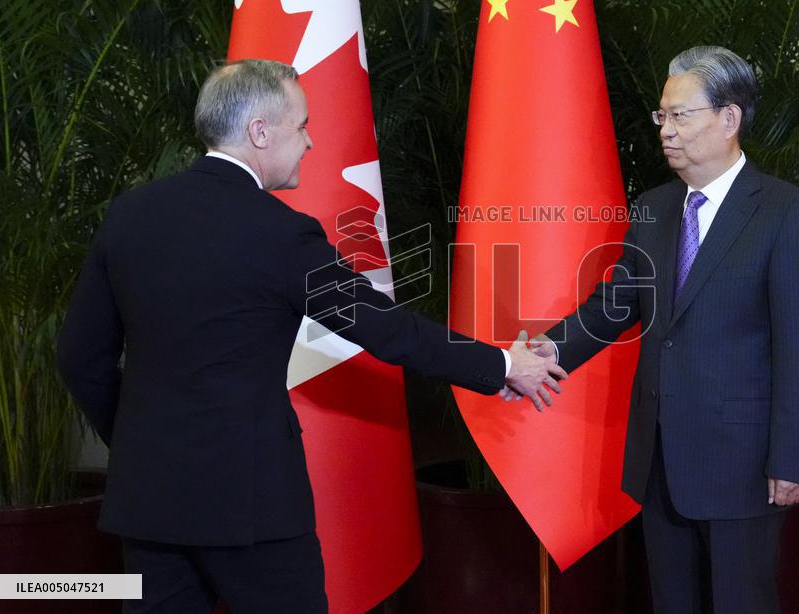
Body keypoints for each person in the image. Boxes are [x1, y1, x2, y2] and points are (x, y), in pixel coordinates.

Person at [57, 59, 565, 614]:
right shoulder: (278, 232)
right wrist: (503, 365)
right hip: (252, 507)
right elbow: (386, 330)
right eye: (301, 125)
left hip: (151, 502)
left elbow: (80, 357)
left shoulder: (130, 216)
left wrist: (138, 443)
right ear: (259, 131)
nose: (311, 142)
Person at [513, 46, 799, 614]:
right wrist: (543, 351)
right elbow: (613, 306)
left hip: (745, 464)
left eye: (681, 115)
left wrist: (792, 459)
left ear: (729, 119)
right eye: (662, 116)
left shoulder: (786, 213)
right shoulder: (655, 208)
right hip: (660, 457)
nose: (666, 130)